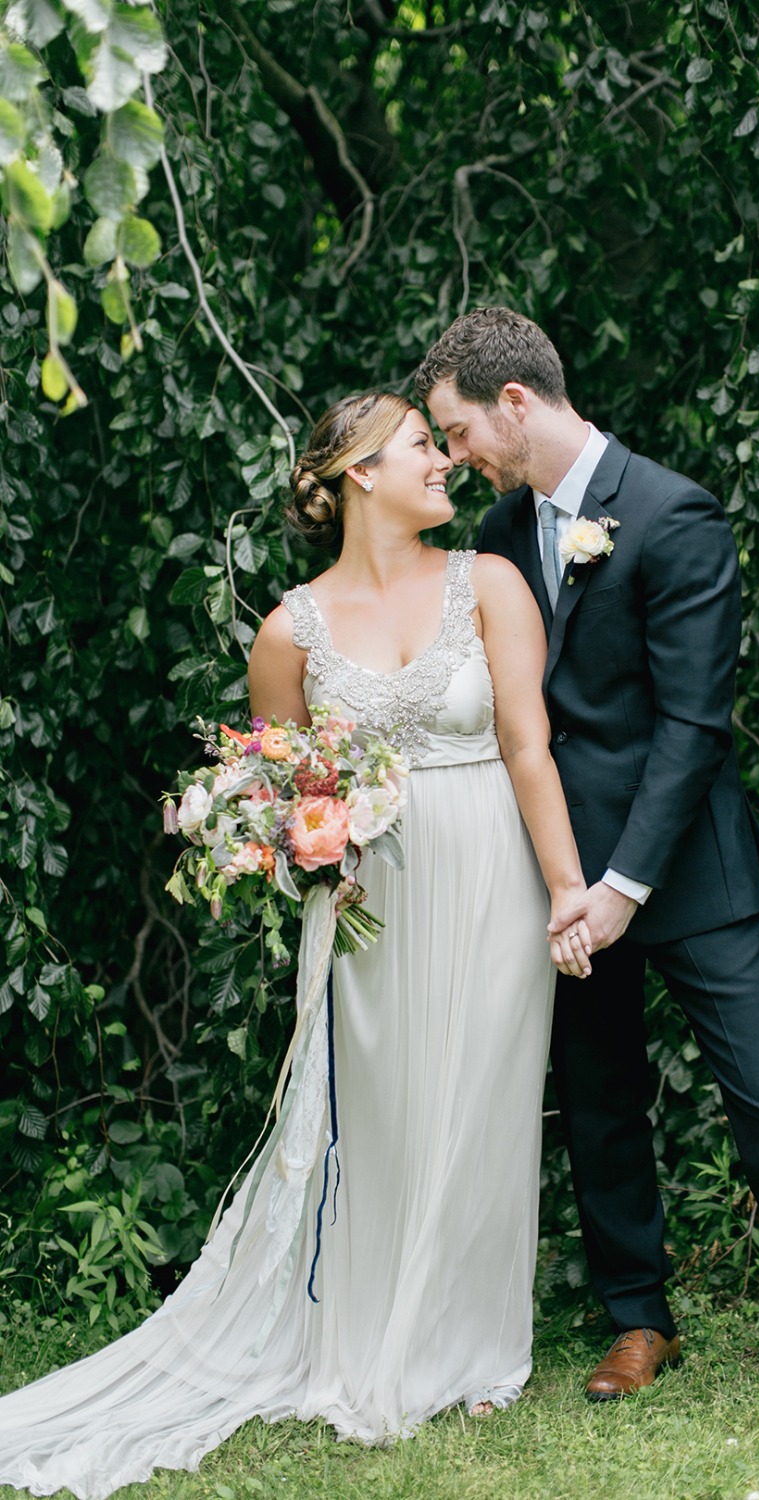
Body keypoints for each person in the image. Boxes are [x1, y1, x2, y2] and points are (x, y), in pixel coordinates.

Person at [0, 392, 595, 1498]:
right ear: (360, 472)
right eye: (424, 446)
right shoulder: (292, 630)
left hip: (491, 873)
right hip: (369, 898)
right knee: (385, 1107)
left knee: (483, 1097)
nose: (444, 463)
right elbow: (276, 785)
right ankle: (374, 1336)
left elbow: (527, 746)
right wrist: (290, 843)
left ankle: (471, 1348)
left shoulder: (492, 584)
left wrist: (567, 891)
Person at [415, 307, 759, 1418]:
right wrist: (567, 885)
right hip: (555, 875)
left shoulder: (672, 514)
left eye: (458, 432)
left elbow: (693, 727)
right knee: (600, 1103)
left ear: (516, 402)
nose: (456, 460)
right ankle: (636, 1317)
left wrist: (622, 889)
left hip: (685, 876)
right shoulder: (498, 540)